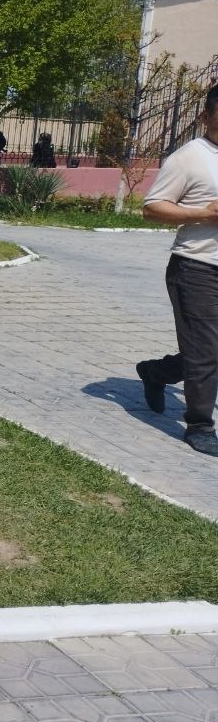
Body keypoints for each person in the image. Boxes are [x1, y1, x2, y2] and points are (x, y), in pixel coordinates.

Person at [135, 83, 218, 457]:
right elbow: (152, 208)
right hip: (197, 268)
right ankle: (200, 425)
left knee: (208, 351)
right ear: (206, 116)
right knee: (206, 351)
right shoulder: (188, 157)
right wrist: (205, 214)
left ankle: (156, 373)